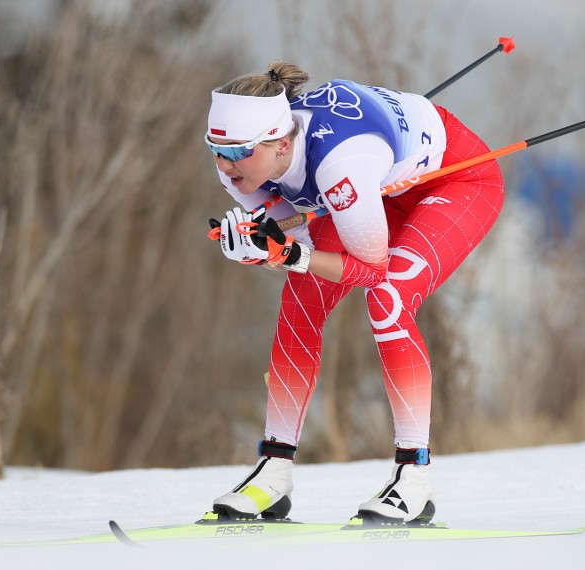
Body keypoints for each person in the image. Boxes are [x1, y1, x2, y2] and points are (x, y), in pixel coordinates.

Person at [204, 61, 504, 525]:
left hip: (456, 179)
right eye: (216, 149)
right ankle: (273, 472)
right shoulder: (241, 169)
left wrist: (284, 255)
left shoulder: (342, 163)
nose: (225, 165)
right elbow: (295, 246)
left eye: (237, 151)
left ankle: (414, 480)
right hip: (378, 187)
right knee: (301, 294)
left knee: (389, 296)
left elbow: (369, 269)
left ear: (281, 143)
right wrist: (259, 247)